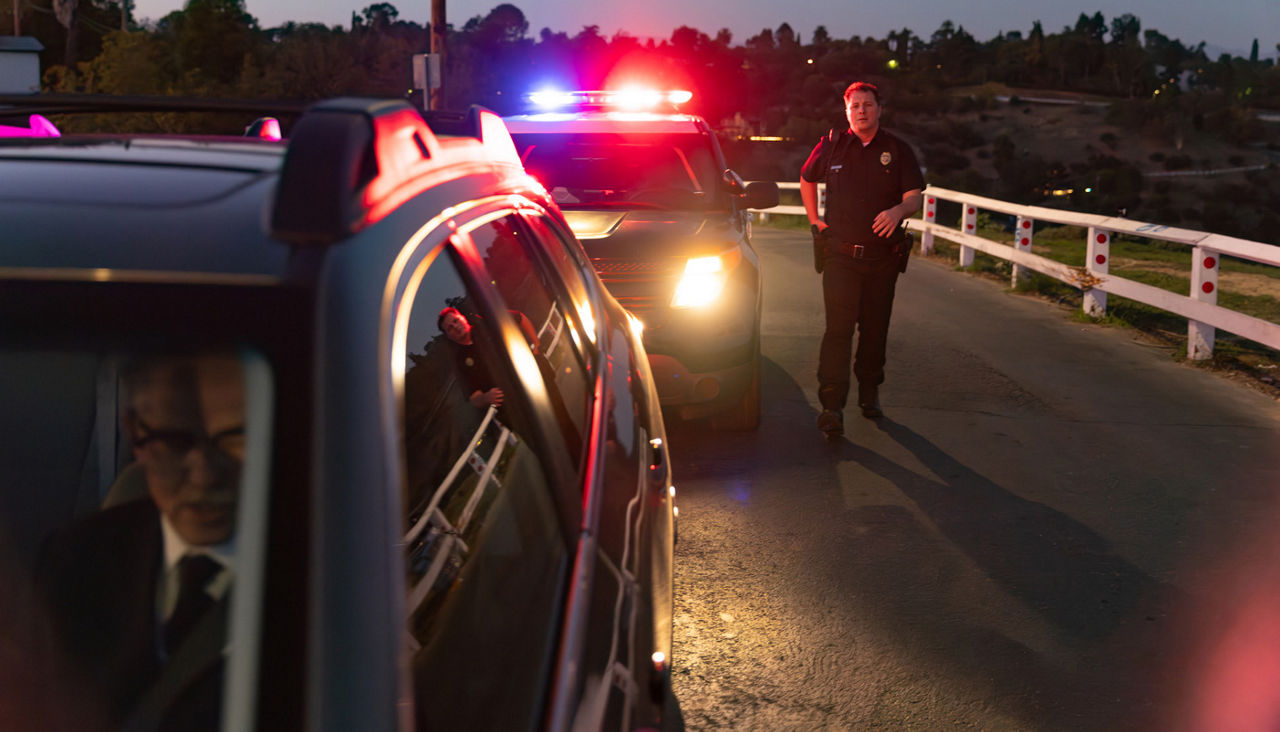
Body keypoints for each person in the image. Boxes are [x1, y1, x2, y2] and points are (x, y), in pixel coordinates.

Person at [35, 353, 244, 729]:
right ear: (134, 434)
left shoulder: (325, 571)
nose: (205, 474)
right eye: (174, 440)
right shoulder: (75, 560)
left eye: (235, 439)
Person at [800, 81, 924, 436]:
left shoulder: (897, 150)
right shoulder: (832, 145)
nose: (861, 111)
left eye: (867, 105)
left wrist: (898, 211)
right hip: (840, 256)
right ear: (846, 110)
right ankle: (832, 406)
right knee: (838, 330)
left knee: (874, 329)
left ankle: (870, 393)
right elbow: (807, 178)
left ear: (879, 109)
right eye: (855, 106)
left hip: (883, 259)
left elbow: (914, 195)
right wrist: (814, 220)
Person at [437, 306, 504, 410]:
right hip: (509, 407)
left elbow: (518, 318)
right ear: (448, 336)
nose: (455, 326)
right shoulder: (460, 362)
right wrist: (486, 397)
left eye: (456, 320)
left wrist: (536, 345)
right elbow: (474, 399)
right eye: (450, 328)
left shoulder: (485, 326)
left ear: (463, 317)